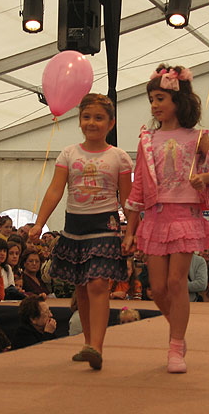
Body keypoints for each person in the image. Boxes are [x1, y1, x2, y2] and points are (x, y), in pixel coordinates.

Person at [123, 64, 209, 374]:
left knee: (176, 282)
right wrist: (130, 231)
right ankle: (179, 331)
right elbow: (138, 187)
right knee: (157, 288)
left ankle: (175, 347)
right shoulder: (147, 139)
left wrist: (207, 177)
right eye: (151, 100)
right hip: (155, 220)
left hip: (186, 216)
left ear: (178, 100)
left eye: (160, 98)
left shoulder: (198, 137)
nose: (155, 105)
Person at [29, 93, 132, 370]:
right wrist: (39, 223)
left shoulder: (119, 157)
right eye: (86, 117)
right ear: (79, 121)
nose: (92, 122)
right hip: (74, 227)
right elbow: (55, 190)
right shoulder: (68, 154)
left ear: (110, 123)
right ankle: (88, 342)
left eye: (99, 118)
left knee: (98, 284)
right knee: (83, 291)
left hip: (105, 227)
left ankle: (95, 346)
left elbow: (128, 198)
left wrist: (133, 231)